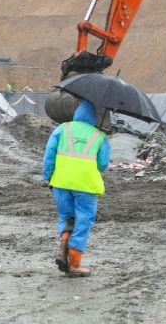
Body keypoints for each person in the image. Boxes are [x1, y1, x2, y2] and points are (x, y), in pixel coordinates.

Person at [42, 97, 111, 277]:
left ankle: (64, 240)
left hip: (61, 182)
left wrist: (49, 176)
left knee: (67, 216)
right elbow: (103, 164)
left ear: (77, 113)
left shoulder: (62, 129)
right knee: (83, 220)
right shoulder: (99, 136)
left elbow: (49, 155)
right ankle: (74, 264)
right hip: (85, 185)